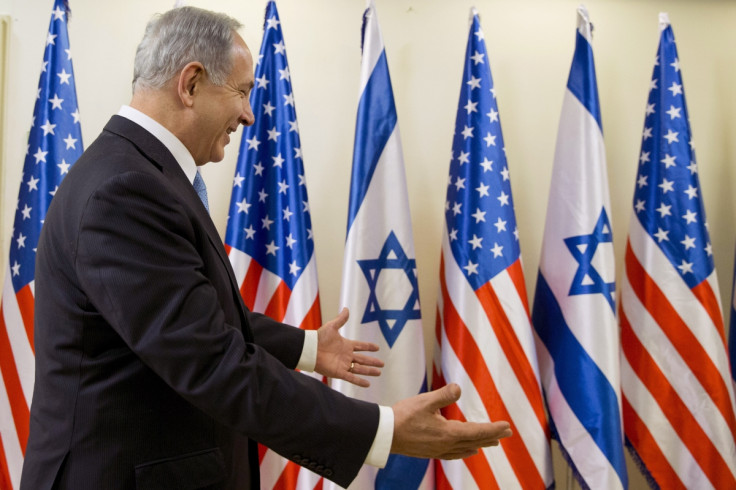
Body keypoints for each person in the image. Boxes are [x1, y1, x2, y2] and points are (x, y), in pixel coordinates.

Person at [20, 6, 512, 490]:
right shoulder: (126, 190)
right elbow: (209, 360)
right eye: (242, 91)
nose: (249, 115)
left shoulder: (135, 172)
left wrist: (309, 348)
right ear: (190, 84)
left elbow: (191, 315)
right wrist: (381, 430)